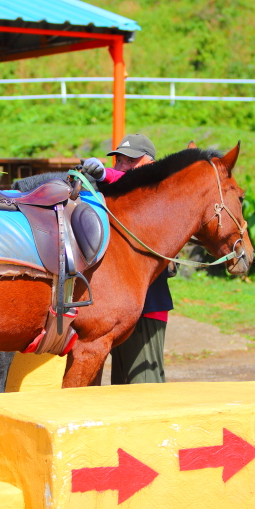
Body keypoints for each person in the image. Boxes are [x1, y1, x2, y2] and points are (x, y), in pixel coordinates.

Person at [82, 134, 173, 385]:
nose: (122, 166)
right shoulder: (116, 194)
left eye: (131, 161)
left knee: (144, 387)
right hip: (117, 310)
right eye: (119, 161)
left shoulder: (157, 190)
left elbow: (135, 184)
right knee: (121, 390)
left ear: (151, 164)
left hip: (148, 308)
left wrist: (104, 175)